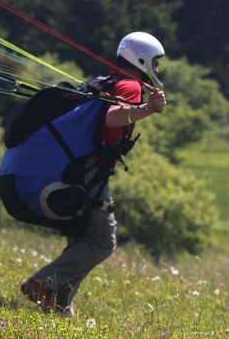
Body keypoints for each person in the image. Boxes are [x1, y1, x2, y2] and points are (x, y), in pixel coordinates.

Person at [20, 31, 167, 316]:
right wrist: (148, 109)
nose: (158, 69)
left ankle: (60, 305)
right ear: (143, 59)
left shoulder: (106, 81)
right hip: (91, 169)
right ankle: (41, 284)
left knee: (82, 235)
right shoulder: (131, 87)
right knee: (102, 241)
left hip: (76, 165)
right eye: (156, 62)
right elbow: (113, 116)